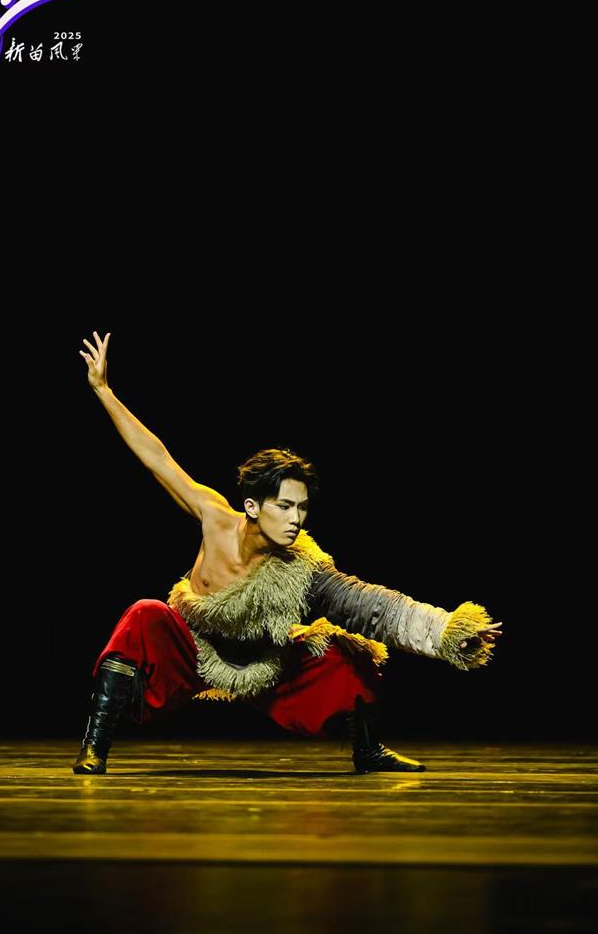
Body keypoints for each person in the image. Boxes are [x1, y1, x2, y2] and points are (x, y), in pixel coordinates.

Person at [73, 331, 503, 776]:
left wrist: (445, 631)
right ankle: (94, 747)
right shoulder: (213, 518)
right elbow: (157, 458)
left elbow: (372, 606)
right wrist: (103, 390)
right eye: (283, 506)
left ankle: (369, 749)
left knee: (349, 650)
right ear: (252, 507)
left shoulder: (302, 568)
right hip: (194, 650)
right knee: (144, 614)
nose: (295, 519)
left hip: (262, 664)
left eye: (301, 507)